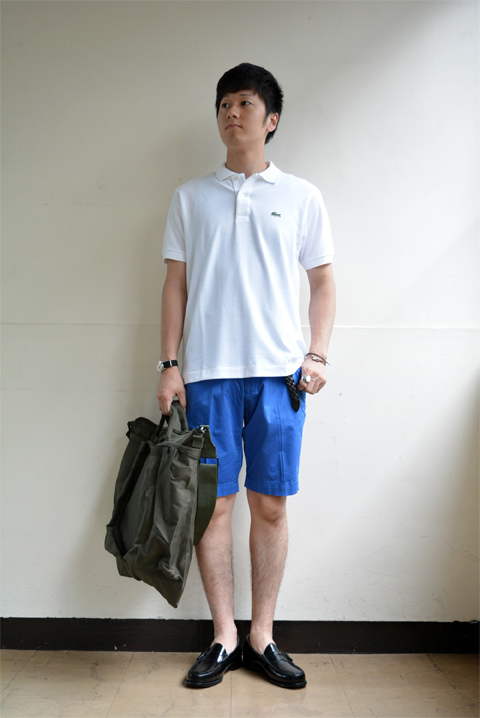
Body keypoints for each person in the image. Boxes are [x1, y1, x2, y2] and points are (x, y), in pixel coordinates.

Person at [157, 63, 336, 689]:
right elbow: (175, 286)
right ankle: (223, 637)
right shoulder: (190, 197)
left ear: (271, 119)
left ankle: (262, 635)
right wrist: (170, 365)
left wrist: (316, 355)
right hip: (207, 375)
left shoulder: (302, 196)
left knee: (271, 505)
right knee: (212, 508)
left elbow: (323, 283)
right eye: (223, 104)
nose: (231, 113)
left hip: (280, 377)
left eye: (245, 103)